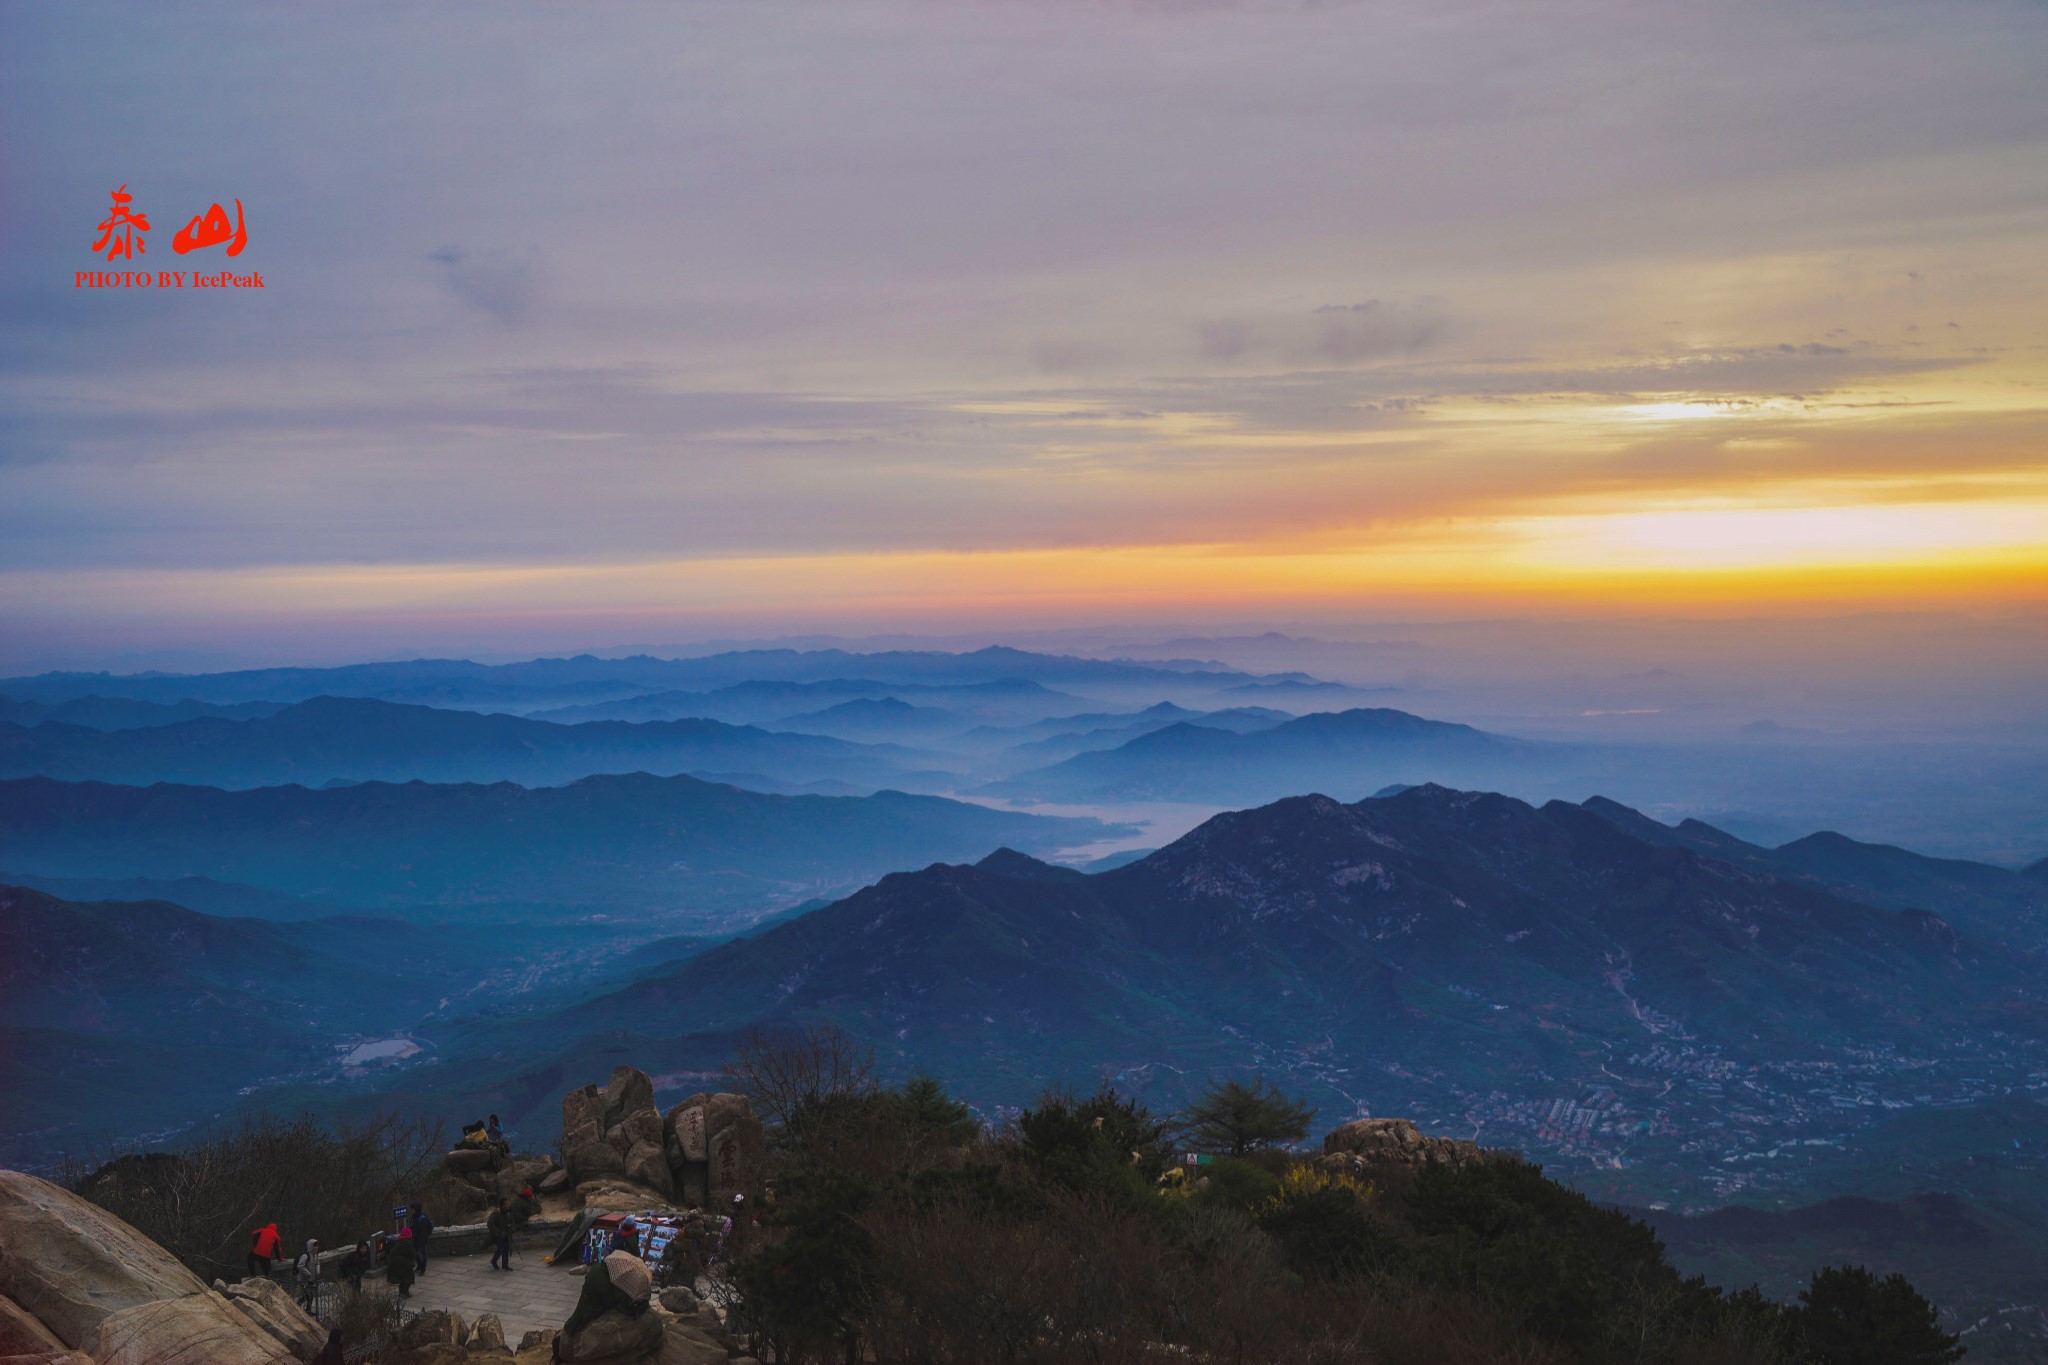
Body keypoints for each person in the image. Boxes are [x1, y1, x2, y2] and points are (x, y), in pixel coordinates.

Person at [293, 1239, 322, 1311]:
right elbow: (300, 1266)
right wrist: (308, 1274)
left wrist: (318, 1272)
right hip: (304, 1279)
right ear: (310, 1246)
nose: (316, 1247)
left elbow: (317, 1264)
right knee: (308, 1295)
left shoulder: (315, 1255)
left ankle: (306, 1308)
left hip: (310, 1279)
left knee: (310, 1294)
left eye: (317, 1246)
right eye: (314, 1246)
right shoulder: (306, 1255)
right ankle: (302, 1307)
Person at [386, 1228, 415, 1298]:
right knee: (408, 1278)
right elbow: (412, 1253)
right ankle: (403, 1293)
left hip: (397, 1264)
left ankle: (403, 1292)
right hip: (403, 1264)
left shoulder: (400, 1241)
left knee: (403, 1279)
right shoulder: (407, 1243)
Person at [408, 1202, 434, 1276]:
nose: (411, 1211)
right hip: (415, 1239)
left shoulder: (422, 1218)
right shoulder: (413, 1217)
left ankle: (423, 1269)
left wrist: (421, 1240)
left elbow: (424, 1231)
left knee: (422, 1255)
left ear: (416, 1209)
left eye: (412, 1209)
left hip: (422, 1240)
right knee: (415, 1254)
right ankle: (419, 1266)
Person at [488, 1198, 513, 1271]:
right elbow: (490, 1223)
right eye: (506, 1204)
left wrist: (511, 1227)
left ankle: (505, 1266)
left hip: (506, 1234)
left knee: (506, 1249)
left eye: (508, 1204)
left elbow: (512, 1221)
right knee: (500, 1249)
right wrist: (497, 1232)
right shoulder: (496, 1213)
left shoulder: (508, 1212)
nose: (507, 1205)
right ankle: (494, 1261)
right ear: (502, 1205)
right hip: (498, 1235)